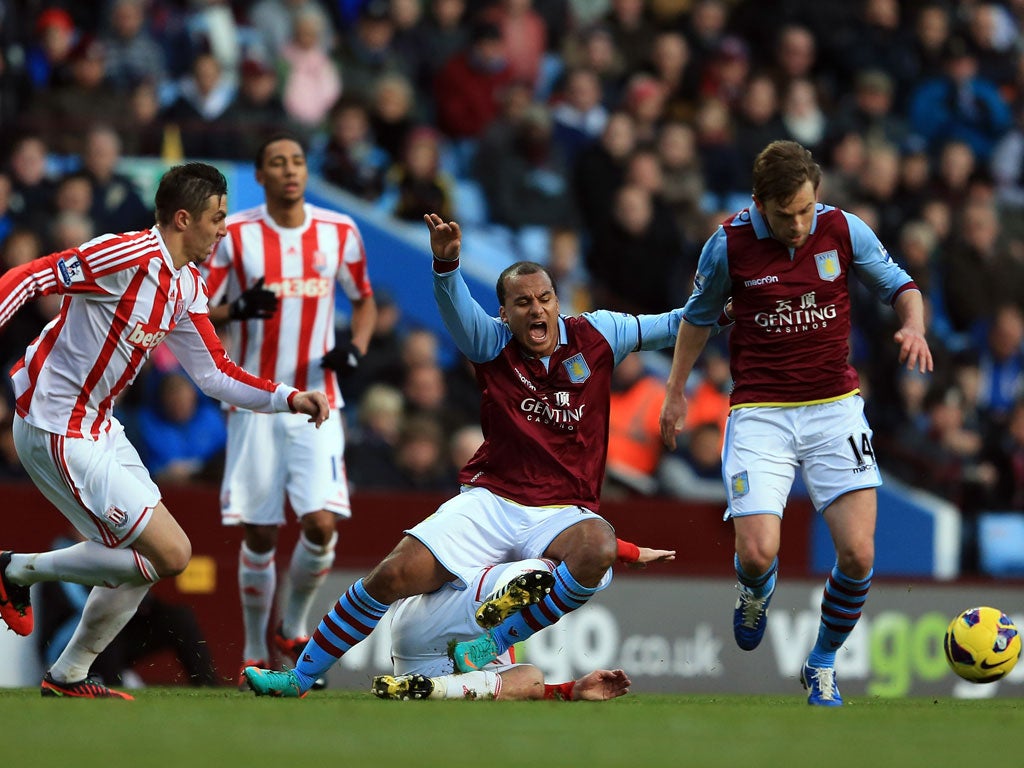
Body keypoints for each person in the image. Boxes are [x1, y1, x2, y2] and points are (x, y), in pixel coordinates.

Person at [242, 212, 687, 697]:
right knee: (391, 575)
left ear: (558, 301)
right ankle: (299, 676)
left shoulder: (597, 334)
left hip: (562, 511)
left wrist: (723, 308)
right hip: (492, 500)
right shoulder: (490, 342)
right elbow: (455, 310)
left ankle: (490, 643)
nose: (536, 310)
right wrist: (447, 264)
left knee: (598, 547)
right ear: (504, 313)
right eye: (522, 303)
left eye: (544, 299)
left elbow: (672, 325)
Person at [0, 161, 329, 699]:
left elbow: (214, 373)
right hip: (54, 424)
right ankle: (15, 572)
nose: (223, 228)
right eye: (216, 217)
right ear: (183, 218)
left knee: (154, 562)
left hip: (99, 426)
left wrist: (287, 397)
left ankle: (69, 675)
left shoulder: (186, 284)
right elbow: (36, 275)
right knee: (171, 555)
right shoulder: (126, 255)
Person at [658, 140, 934, 707]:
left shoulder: (844, 230)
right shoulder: (727, 245)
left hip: (835, 408)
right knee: (758, 552)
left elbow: (902, 287)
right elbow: (697, 319)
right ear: (759, 203)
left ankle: (822, 662)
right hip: (761, 412)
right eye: (786, 216)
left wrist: (914, 327)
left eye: (807, 209)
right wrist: (675, 392)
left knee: (858, 555)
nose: (800, 225)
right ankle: (755, 593)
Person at [200, 133, 377, 689]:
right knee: (258, 533)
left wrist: (356, 348)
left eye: (297, 161)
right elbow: (195, 305)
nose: (289, 171)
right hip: (255, 400)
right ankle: (254, 651)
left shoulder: (339, 231)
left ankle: (293, 627)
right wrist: (236, 308)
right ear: (260, 175)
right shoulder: (237, 235)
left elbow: (364, 297)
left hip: (319, 398)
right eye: (277, 162)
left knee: (321, 524)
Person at [372, 540, 675, 702]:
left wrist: (573, 690)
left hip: (422, 655)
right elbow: (588, 543)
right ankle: (497, 618)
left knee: (530, 678)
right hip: (441, 613)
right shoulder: (514, 517)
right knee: (550, 568)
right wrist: (629, 551)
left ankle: (428, 688)